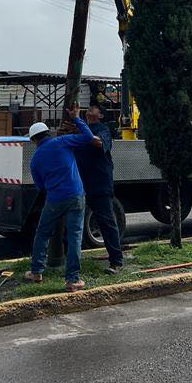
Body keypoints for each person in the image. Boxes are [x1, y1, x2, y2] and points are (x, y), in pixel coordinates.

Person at [25, 105, 95, 291]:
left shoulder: (35, 159)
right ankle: (72, 280)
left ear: (34, 140)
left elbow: (40, 186)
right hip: (76, 195)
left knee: (42, 233)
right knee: (74, 237)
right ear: (48, 133)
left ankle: (36, 271)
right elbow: (89, 138)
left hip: (55, 199)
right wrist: (77, 118)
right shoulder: (62, 141)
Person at [73, 101, 124, 273]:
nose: (90, 109)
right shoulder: (80, 129)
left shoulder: (103, 130)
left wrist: (77, 121)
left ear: (100, 115)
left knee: (106, 222)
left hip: (99, 184)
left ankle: (116, 262)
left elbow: (98, 143)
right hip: (80, 184)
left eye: (94, 108)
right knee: (73, 223)